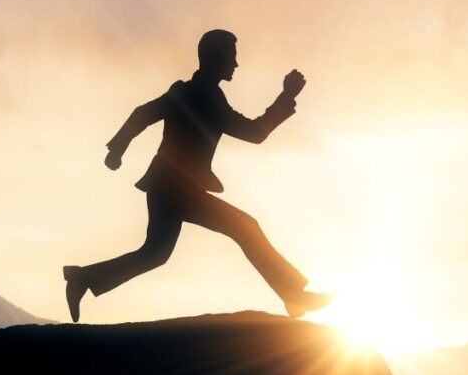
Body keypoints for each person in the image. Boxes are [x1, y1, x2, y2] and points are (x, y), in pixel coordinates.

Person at [62, 29, 334, 323]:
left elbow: (143, 113)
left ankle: (83, 278)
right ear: (216, 59)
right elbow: (254, 133)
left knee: (155, 253)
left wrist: (118, 149)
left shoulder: (189, 91)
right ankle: (293, 296)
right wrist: (285, 97)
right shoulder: (204, 96)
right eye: (232, 57)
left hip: (169, 187)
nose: (236, 65)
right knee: (245, 228)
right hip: (175, 189)